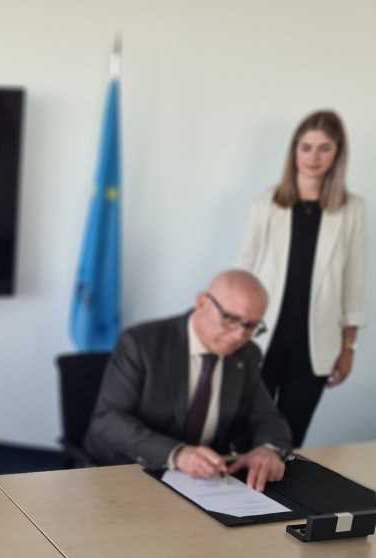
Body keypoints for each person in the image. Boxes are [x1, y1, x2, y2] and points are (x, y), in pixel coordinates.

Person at [84, 270, 292, 492]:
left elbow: (266, 416)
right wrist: (176, 453)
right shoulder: (142, 343)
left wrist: (267, 449)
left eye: (251, 326)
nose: (240, 336)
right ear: (203, 302)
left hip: (205, 483)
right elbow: (106, 420)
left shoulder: (246, 355)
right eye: (231, 319)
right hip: (130, 471)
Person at [238, 110, 366, 448]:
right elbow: (244, 272)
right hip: (262, 339)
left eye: (324, 148)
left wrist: (349, 347)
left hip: (316, 346)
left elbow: (353, 281)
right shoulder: (266, 205)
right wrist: (234, 330)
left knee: (287, 442)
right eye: (306, 146)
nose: (313, 157)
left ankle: (278, 501)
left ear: (338, 152)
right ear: (294, 150)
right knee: (244, 435)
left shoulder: (352, 210)